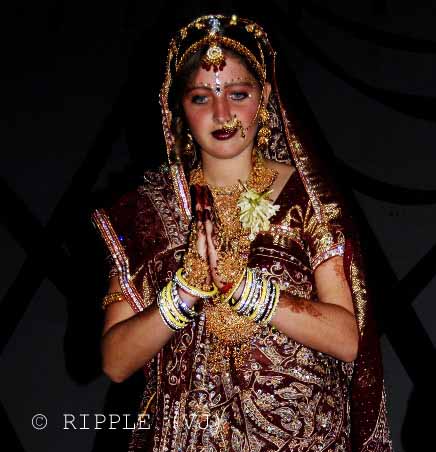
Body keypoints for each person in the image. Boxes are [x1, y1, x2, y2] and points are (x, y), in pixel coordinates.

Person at [93, 14, 391, 452]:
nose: (222, 113)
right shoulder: (144, 214)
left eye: (238, 93)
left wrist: (246, 289)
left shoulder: (307, 197)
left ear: (264, 96)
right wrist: (184, 293)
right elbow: (116, 363)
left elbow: (348, 339)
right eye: (200, 97)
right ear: (177, 107)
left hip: (302, 437)